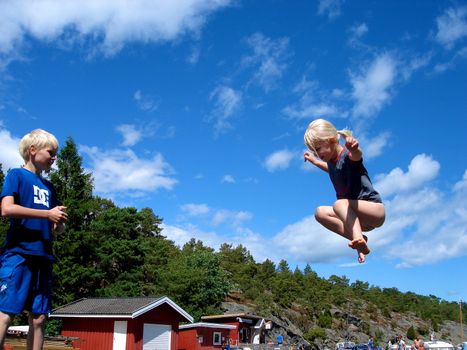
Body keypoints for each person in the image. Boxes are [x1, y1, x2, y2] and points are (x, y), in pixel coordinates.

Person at [0, 129, 68, 350]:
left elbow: (57, 229)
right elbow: (7, 209)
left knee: (39, 319)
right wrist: (47, 214)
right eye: (51, 152)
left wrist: (58, 223)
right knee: (5, 313)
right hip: (18, 253)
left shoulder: (50, 187)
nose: (54, 158)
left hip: (44, 257)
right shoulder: (16, 175)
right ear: (32, 150)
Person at [303, 119, 385, 263]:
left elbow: (357, 156)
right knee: (320, 212)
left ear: (331, 140)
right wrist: (315, 162)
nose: (316, 153)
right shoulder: (331, 162)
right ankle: (359, 240)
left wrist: (354, 148)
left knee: (339, 204)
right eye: (314, 151)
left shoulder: (347, 155)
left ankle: (358, 238)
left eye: (318, 148)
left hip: (374, 211)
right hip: (359, 221)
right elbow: (332, 169)